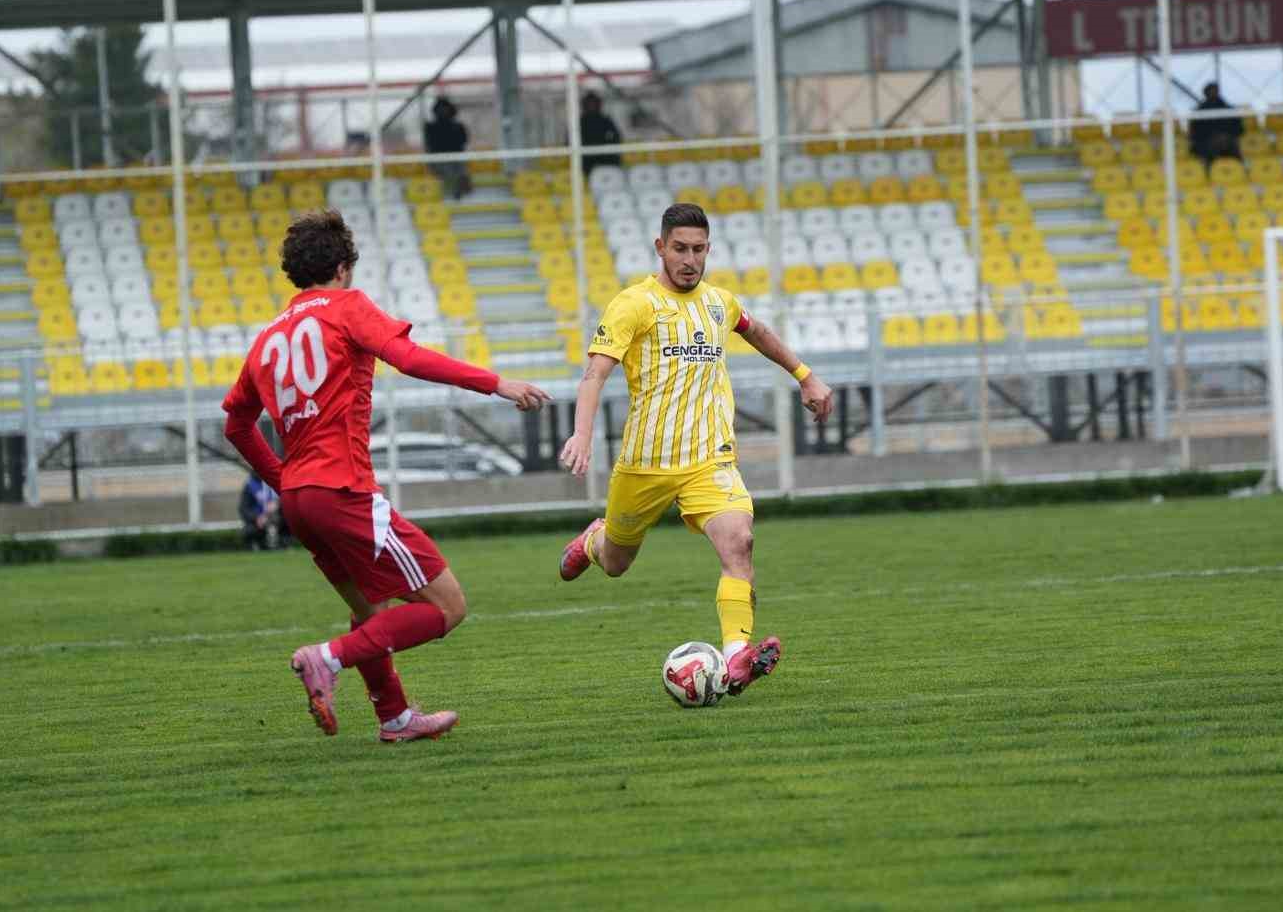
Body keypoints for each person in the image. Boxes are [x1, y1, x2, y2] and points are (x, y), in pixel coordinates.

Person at [220, 210, 551, 742]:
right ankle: (327, 659)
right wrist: (496, 383)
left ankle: (394, 718)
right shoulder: (346, 307)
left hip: (301, 501)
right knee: (448, 606)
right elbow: (409, 358)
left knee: (371, 612)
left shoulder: (267, 338)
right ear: (345, 268)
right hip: (344, 489)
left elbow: (235, 424)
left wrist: (281, 480)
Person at [556, 202, 834, 697]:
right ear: (660, 248)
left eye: (699, 250)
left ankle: (735, 658)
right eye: (680, 248)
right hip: (646, 462)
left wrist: (805, 375)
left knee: (739, 542)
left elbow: (758, 332)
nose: (689, 259)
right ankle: (593, 543)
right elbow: (595, 373)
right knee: (618, 563)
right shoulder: (633, 304)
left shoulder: (718, 303)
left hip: (710, 458)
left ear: (709, 251)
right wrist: (581, 434)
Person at [423, 96, 471, 200]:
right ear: (436, 110)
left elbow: (463, 142)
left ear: (451, 110)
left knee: (462, 171)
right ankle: (455, 193)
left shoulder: (459, 126)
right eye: (440, 109)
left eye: (445, 109)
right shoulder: (430, 127)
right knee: (448, 170)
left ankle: (461, 190)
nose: (443, 111)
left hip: (457, 158)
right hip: (439, 159)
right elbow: (431, 145)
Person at [1189, 83, 1243, 168]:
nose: (1213, 93)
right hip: (1207, 144)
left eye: (1215, 91)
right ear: (1206, 93)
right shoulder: (1199, 111)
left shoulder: (1228, 108)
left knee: (1230, 145)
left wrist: (1226, 136)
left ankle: (1242, 170)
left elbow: (1238, 128)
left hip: (1228, 142)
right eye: (1211, 91)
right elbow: (1195, 133)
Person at [238, 472, 288, 550]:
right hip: (258, 520)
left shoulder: (278, 481)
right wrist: (256, 518)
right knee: (250, 530)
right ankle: (258, 545)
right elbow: (243, 508)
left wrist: (278, 504)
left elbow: (289, 500)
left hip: (277, 517)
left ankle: (280, 544)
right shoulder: (250, 485)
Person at [579, 92, 623, 177]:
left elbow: (616, 137)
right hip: (586, 159)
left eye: (594, 103)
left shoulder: (605, 120)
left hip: (606, 157)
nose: (591, 106)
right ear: (584, 105)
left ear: (598, 104)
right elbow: (569, 141)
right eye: (589, 103)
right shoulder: (579, 122)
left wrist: (608, 147)